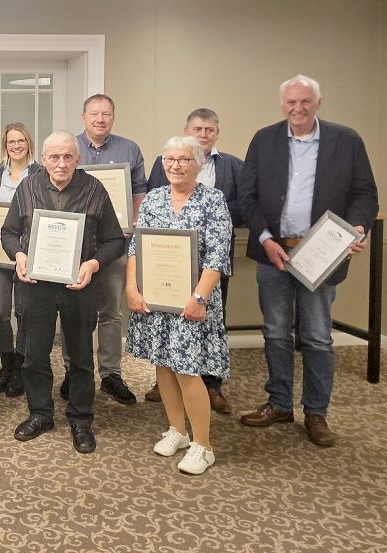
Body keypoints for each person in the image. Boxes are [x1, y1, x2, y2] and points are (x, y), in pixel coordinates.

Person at [237, 75, 379, 447]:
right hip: (275, 254)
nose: (297, 109)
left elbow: (364, 193)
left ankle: (317, 412)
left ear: (319, 103)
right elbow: (247, 197)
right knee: (276, 333)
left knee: (317, 337)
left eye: (305, 102)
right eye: (291, 103)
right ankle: (280, 403)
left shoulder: (345, 140)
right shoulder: (264, 139)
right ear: (281, 104)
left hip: (321, 254)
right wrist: (265, 239)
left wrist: (357, 229)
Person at [0, 131, 124, 454]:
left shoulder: (94, 190)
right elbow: (9, 232)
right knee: (34, 356)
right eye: (54, 157)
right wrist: (19, 255)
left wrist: (94, 264)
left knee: (81, 357)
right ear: (43, 160)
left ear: (77, 159)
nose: (61, 163)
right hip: (35, 287)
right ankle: (40, 413)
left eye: (68, 156)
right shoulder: (28, 187)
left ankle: (81, 418)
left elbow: (115, 240)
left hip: (79, 287)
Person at [126, 136, 232, 475]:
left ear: (198, 164)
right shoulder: (154, 198)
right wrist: (131, 287)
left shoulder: (213, 200)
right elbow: (136, 247)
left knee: (188, 370)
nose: (175, 165)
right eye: (170, 159)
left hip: (192, 302)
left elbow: (217, 255)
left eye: (184, 159)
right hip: (157, 300)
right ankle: (178, 431)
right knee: (163, 366)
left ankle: (203, 446)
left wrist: (199, 298)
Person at [144, 108, 243, 414]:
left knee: (205, 326)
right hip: (163, 274)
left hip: (206, 272)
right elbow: (146, 231)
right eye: (196, 129)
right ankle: (168, 388)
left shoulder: (231, 171)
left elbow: (243, 204)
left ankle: (211, 386)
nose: (202, 134)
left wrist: (216, 225)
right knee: (166, 336)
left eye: (208, 129)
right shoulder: (160, 182)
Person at [57, 94, 148, 406]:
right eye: (94, 114)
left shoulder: (129, 149)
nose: (100, 119)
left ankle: (111, 373)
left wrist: (130, 226)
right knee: (72, 312)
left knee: (110, 312)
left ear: (113, 117)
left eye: (106, 114)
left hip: (113, 244)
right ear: (83, 117)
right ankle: (72, 370)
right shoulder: (69, 148)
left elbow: (139, 192)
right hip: (74, 247)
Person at [0, 123, 40, 397]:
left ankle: (20, 365)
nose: (16, 145)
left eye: (21, 140)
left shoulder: (40, 172)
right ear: (4, 146)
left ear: (29, 142)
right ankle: (6, 362)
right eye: (11, 142)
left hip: (30, 253)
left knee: (24, 312)